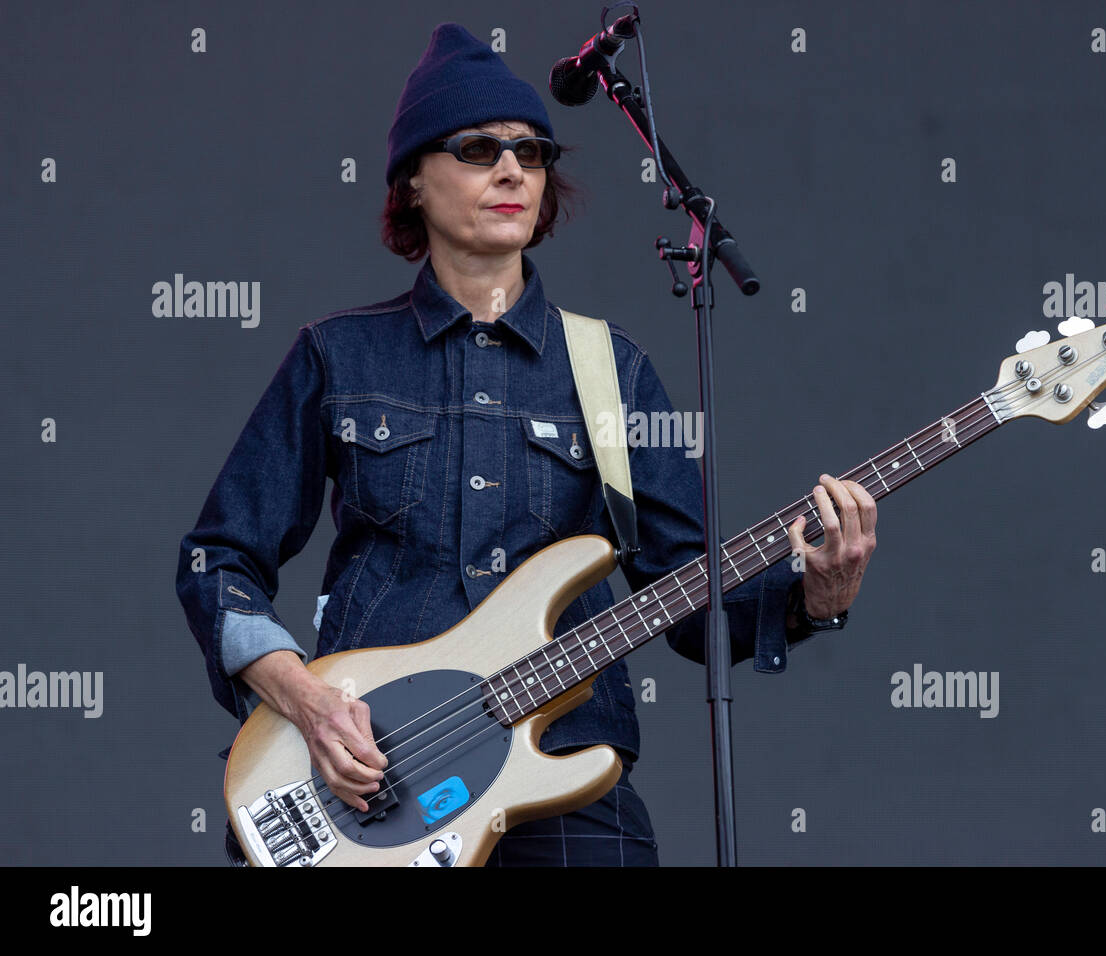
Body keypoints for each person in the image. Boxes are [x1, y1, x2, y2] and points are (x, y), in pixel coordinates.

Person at [175, 23, 876, 867]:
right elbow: (218, 559)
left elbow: (693, 603)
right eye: (477, 149)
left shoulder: (610, 370)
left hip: (563, 773)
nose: (512, 170)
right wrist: (305, 701)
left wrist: (816, 596)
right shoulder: (339, 355)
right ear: (413, 186)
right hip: (369, 780)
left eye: (532, 152)